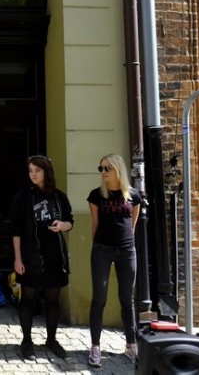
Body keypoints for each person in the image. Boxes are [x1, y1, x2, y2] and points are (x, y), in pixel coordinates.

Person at [9, 155, 74, 361]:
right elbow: (16, 230)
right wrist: (17, 259)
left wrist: (63, 226)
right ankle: (26, 341)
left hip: (55, 255)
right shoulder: (23, 197)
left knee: (52, 299)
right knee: (27, 298)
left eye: (37, 170)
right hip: (31, 255)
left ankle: (52, 339)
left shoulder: (59, 196)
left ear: (46, 171)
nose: (33, 175)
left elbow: (70, 221)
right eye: (30, 171)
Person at [87, 154, 141, 367]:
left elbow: (132, 224)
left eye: (107, 168)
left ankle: (131, 345)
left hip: (127, 251)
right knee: (99, 298)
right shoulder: (96, 195)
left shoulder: (133, 196)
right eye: (101, 168)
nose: (103, 172)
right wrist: (97, 247)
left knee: (127, 299)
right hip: (102, 250)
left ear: (118, 169)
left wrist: (127, 244)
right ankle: (95, 346)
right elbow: (95, 224)